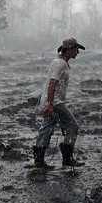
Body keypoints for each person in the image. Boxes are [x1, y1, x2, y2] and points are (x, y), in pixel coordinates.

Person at [32, 37, 85, 171]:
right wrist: (50, 104)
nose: (77, 52)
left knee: (47, 128)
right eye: (75, 49)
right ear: (68, 50)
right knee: (73, 127)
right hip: (54, 102)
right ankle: (67, 161)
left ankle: (38, 163)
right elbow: (52, 83)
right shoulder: (60, 64)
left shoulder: (60, 62)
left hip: (50, 101)